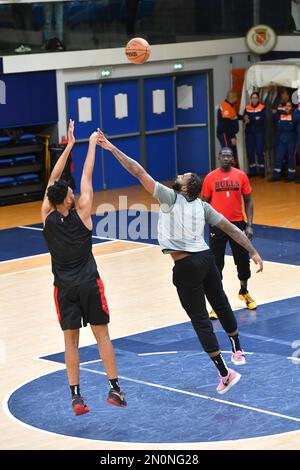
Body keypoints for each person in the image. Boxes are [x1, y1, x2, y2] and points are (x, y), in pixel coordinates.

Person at [96, 129, 263, 395]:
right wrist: (253, 251)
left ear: (185, 187)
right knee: (219, 301)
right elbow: (233, 229)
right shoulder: (202, 205)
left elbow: (138, 172)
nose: (179, 175)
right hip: (206, 259)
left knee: (200, 319)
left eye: (182, 176)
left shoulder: (170, 197)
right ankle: (237, 349)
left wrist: (112, 148)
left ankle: (225, 373)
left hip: (187, 266)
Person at [41, 120, 126, 415]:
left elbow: (52, 180)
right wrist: (89, 144)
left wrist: (70, 146)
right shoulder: (84, 212)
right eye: (70, 192)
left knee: (70, 342)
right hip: (90, 283)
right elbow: (87, 174)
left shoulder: (46, 216)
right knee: (102, 335)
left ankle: (76, 396)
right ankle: (115, 388)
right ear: (68, 198)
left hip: (64, 288)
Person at [201, 147, 255, 320]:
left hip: (238, 224)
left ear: (233, 158)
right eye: (223, 155)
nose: (226, 158)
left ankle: (244, 291)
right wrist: (206, 222)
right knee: (216, 265)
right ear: (219, 158)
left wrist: (249, 225)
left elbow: (249, 201)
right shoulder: (210, 178)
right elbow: (204, 203)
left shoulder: (241, 176)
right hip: (217, 225)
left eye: (229, 156)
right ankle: (217, 303)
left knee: (242, 261)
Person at [269, 100, 297, 182]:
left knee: (291, 158)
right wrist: (275, 112)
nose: (287, 107)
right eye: (286, 106)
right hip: (281, 140)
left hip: (291, 139)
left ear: (291, 108)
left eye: (289, 106)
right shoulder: (279, 115)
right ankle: (276, 176)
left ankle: (291, 176)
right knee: (279, 157)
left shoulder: (294, 115)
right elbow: (275, 121)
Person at [243, 92, 266, 177]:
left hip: (259, 132)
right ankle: (252, 171)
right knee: (250, 152)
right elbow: (244, 118)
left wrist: (250, 119)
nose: (254, 99)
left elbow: (261, 119)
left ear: (258, 99)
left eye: (256, 98)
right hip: (249, 133)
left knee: (259, 151)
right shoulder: (247, 107)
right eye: (252, 98)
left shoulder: (262, 107)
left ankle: (262, 171)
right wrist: (246, 119)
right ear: (251, 99)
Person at [217, 91, 239, 162]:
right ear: (232, 98)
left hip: (229, 133)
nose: (237, 99)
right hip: (226, 134)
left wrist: (243, 117)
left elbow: (234, 116)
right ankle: (226, 172)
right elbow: (226, 123)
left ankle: (231, 171)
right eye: (236, 97)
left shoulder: (230, 106)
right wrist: (232, 137)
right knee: (227, 153)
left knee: (232, 153)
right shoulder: (225, 106)